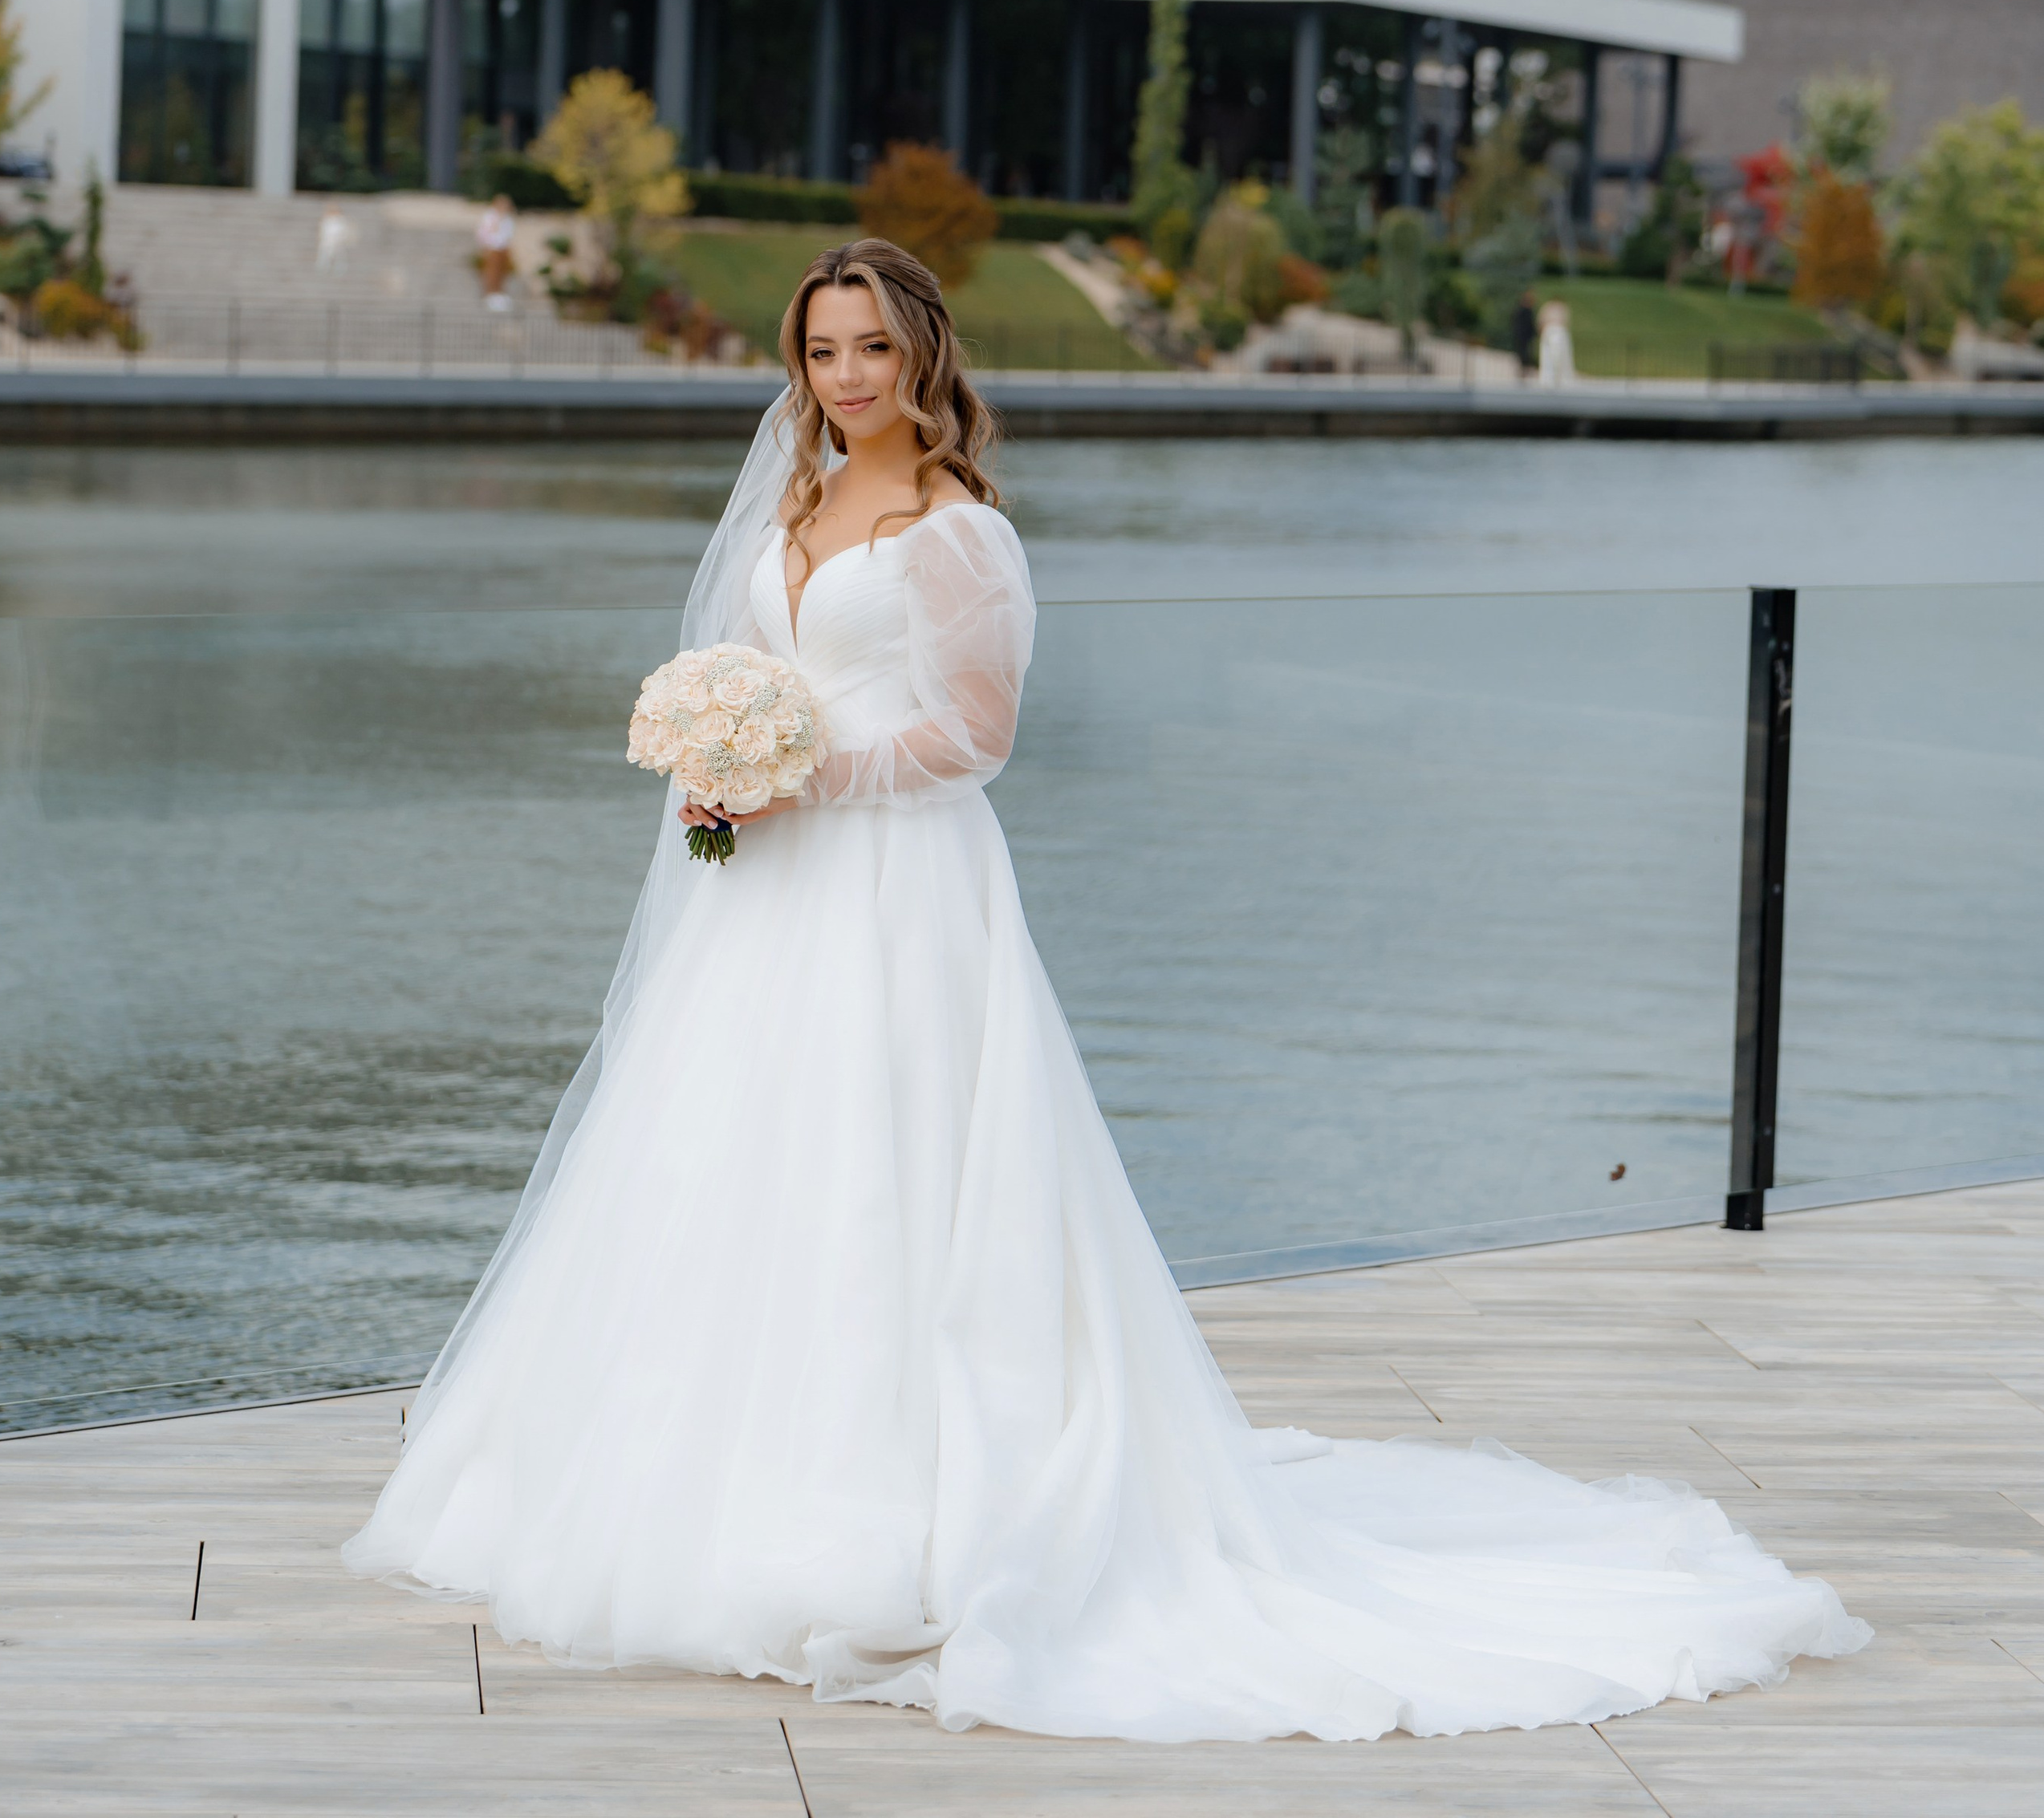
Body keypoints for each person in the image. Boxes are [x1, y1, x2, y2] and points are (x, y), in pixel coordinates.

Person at [344, 234, 1866, 1739]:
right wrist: (719, 757)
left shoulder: (958, 532)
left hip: (898, 888)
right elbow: (757, 671)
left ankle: (892, 1504)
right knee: (730, 1161)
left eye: (872, 347)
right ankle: (686, 1478)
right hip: (766, 896)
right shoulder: (796, 500)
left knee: (890, 1169)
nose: (847, 376)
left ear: (922, 353)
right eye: (822, 350)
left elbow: (977, 736)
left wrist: (808, 775)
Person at [473, 190, 516, 310]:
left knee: (502, 272)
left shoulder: (508, 218)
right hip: (493, 248)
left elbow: (508, 234)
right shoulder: (490, 216)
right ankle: (490, 294)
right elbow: (486, 232)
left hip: (504, 248)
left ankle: (499, 293)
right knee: (492, 272)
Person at [1538, 294, 1575, 386]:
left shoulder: (1556, 307)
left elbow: (1540, 322)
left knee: (1557, 355)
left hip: (1554, 330)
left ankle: (1557, 377)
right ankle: (1552, 377)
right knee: (1551, 355)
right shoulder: (1552, 307)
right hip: (1552, 330)